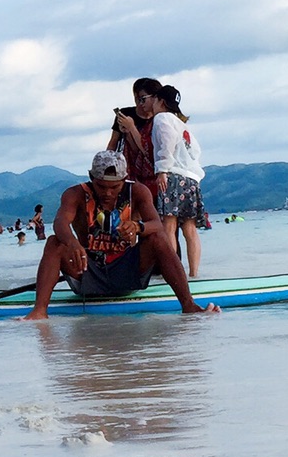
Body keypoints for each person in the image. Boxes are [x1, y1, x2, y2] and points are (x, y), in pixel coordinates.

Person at [25, 151, 219, 318]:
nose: (108, 193)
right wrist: (72, 243)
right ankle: (39, 311)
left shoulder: (137, 191)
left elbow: (157, 225)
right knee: (54, 242)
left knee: (157, 239)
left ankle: (188, 305)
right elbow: (60, 222)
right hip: (87, 269)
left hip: (127, 270)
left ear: (124, 179)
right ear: (91, 177)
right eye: (101, 186)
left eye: (115, 187)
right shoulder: (74, 194)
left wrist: (138, 227)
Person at [147, 83, 207, 278]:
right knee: (190, 228)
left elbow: (167, 140)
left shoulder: (162, 118)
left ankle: (172, 274)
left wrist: (162, 169)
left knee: (169, 225)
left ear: (160, 101)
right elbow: (195, 151)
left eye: (154, 99)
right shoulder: (182, 124)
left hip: (173, 175)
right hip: (192, 178)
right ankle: (194, 274)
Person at [109, 84, 160, 196]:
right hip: (129, 167)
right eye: (137, 98)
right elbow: (113, 143)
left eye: (143, 99)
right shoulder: (126, 114)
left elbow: (147, 150)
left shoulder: (159, 120)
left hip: (152, 171)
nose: (139, 103)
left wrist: (131, 128)